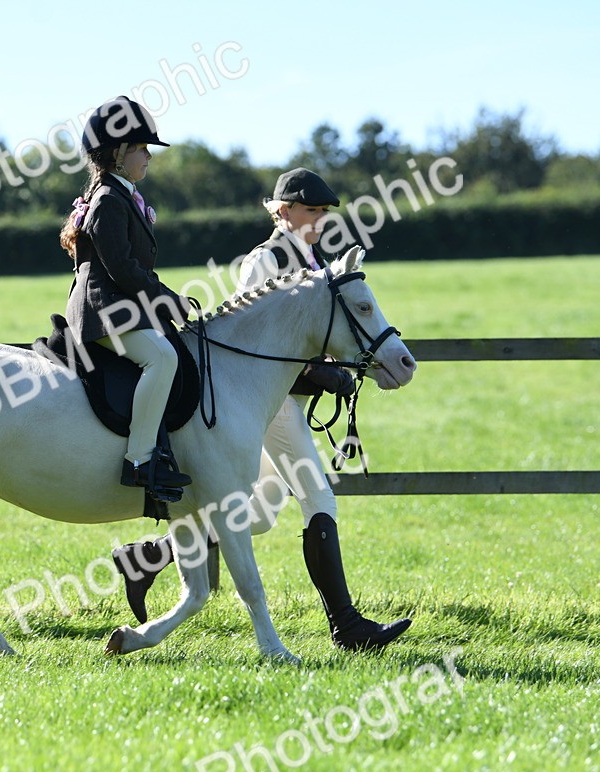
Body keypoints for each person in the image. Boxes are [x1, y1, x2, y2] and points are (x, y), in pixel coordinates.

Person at [110, 168, 412, 652]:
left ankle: (148, 556)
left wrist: (336, 367)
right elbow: (249, 341)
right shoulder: (265, 261)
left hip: (287, 401)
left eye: (322, 213)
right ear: (284, 211)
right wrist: (318, 374)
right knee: (319, 499)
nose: (318, 220)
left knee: (260, 512)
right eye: (310, 211)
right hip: (266, 406)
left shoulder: (316, 261)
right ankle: (348, 626)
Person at [59, 96, 193, 491]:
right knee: (162, 358)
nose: (148, 156)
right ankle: (139, 460)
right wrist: (170, 300)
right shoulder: (107, 201)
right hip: (104, 310)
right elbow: (124, 270)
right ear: (118, 154)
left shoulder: (121, 197)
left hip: (121, 307)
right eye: (140, 148)